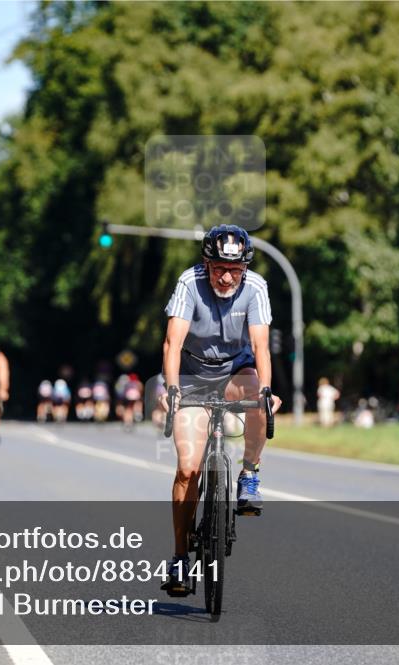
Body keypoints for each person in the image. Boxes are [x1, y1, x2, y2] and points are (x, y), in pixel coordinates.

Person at [159, 224, 281, 595]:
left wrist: (265, 390)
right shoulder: (189, 282)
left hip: (235, 369)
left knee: (260, 400)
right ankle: (181, 558)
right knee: (187, 468)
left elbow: (261, 348)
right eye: (218, 269)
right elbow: (172, 343)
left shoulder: (256, 287)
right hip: (193, 373)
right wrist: (173, 389)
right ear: (206, 263)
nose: (226, 277)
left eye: (235, 270)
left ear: (245, 268)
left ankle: (249, 473)